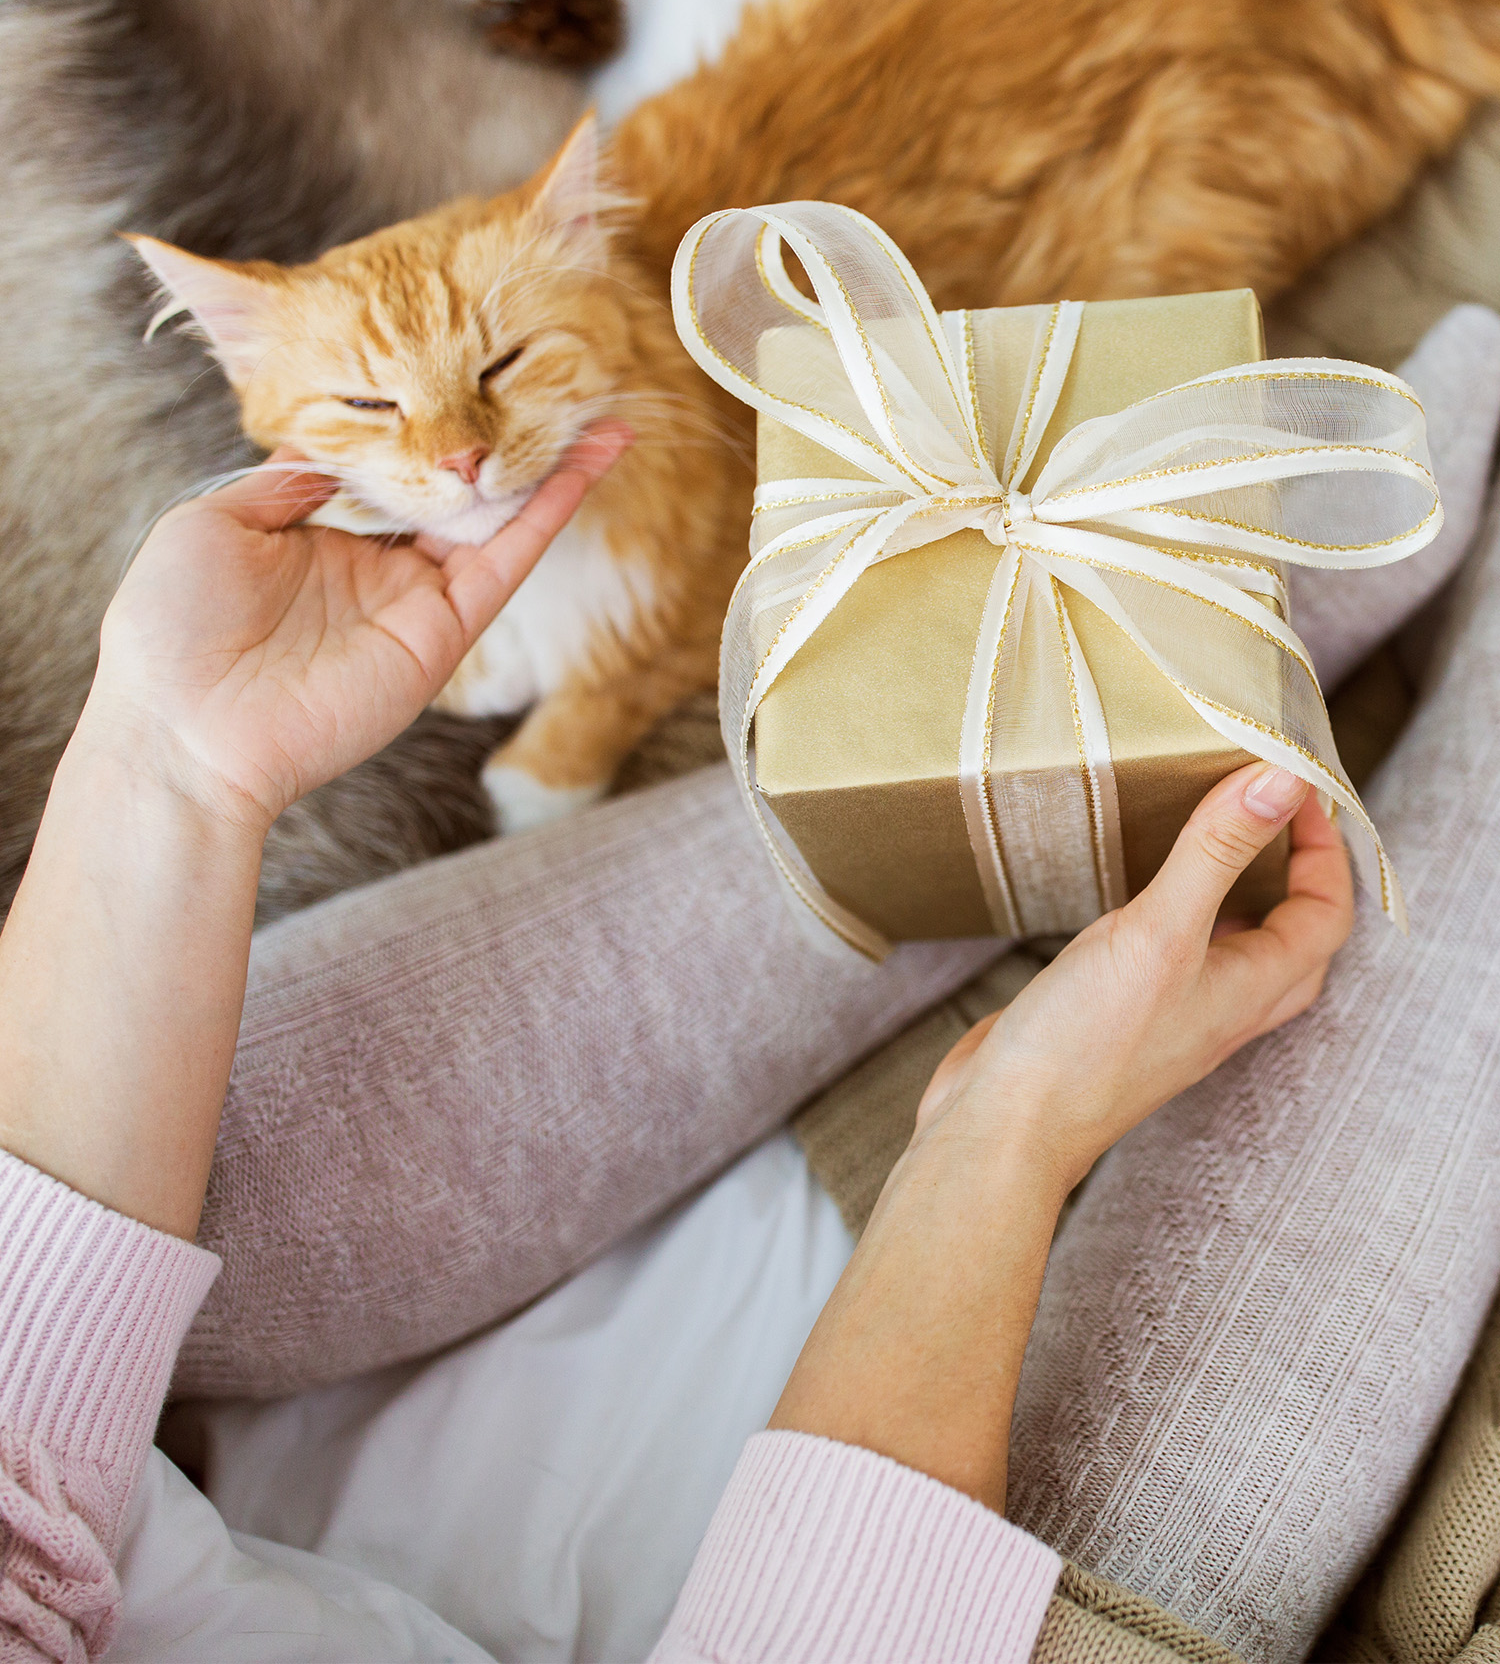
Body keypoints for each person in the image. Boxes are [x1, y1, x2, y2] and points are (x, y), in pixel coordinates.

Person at [0, 417, 1353, 1663]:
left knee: (227, 1164)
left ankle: (1254, 606)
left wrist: (176, 755)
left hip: (113, 1476)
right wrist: (1003, 1134)